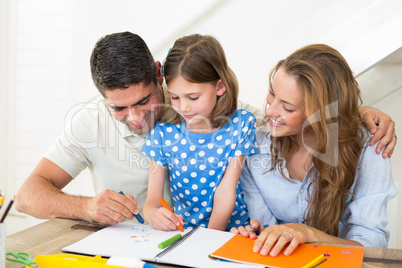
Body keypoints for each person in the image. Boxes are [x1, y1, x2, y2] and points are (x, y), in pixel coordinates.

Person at [14, 32, 397, 226]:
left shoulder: (221, 113)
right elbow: (28, 196)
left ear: (159, 74)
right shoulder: (89, 122)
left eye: (144, 100)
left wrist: (355, 109)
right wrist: (87, 207)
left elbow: (289, 118)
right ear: (102, 99)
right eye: (119, 107)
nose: (134, 117)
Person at [231, 44, 397, 257]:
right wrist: (260, 236)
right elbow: (267, 230)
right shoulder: (254, 145)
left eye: (287, 107)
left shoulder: (370, 146)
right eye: (272, 94)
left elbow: (371, 247)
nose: (270, 110)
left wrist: (307, 233)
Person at [142, 34, 256, 231]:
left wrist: (209, 241)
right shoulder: (163, 133)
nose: (184, 107)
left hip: (233, 233)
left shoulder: (241, 124)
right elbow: (152, 200)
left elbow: (226, 191)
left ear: (219, 87)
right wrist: (153, 216)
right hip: (183, 234)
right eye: (175, 97)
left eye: (193, 97)